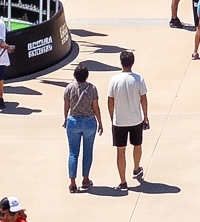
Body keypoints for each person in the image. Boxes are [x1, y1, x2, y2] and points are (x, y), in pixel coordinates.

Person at [99, 49, 149, 189]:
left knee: (120, 151)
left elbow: (110, 100)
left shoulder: (114, 80)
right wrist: (145, 116)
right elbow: (143, 99)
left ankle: (123, 182)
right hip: (136, 120)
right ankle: (136, 168)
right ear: (132, 62)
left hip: (119, 121)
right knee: (137, 145)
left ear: (121, 63)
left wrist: (112, 117)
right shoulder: (139, 79)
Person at [62, 64, 101, 192]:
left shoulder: (69, 88)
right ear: (87, 76)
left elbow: (66, 106)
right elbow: (96, 107)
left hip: (73, 121)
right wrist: (100, 121)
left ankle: (72, 183)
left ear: (75, 75)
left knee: (73, 153)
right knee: (87, 151)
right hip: (89, 122)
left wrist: (65, 119)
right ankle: (85, 179)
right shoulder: (92, 89)